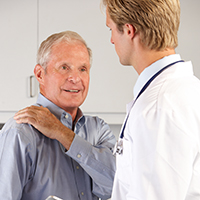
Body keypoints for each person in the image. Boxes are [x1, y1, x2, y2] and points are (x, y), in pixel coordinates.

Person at [101, 0, 200, 199]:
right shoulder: (186, 88)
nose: (111, 40)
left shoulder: (158, 106)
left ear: (129, 31)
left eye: (111, 29)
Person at [0, 31, 116, 200]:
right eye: (64, 67)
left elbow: (119, 184)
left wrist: (61, 133)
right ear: (40, 74)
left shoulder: (98, 130)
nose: (75, 78)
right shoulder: (20, 132)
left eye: (83, 69)